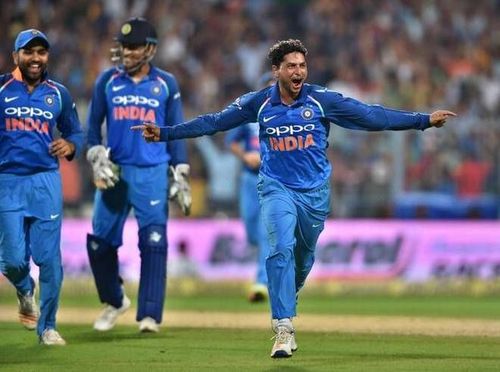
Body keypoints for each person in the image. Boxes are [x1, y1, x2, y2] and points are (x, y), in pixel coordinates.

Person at [132, 39, 456, 357]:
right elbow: (214, 122)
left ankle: (289, 295)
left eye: (302, 65)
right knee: (279, 249)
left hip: (314, 193)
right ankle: (283, 327)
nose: (298, 72)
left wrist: (422, 121)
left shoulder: (321, 101)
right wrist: (166, 133)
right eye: (291, 66)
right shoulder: (257, 103)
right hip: (276, 187)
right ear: (277, 71)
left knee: (302, 260)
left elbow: (371, 116)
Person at [86, 17, 191, 334]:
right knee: (99, 245)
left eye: (133, 46)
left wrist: (180, 172)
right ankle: (114, 301)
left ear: (150, 49)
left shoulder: (166, 84)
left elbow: (175, 131)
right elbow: (92, 130)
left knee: (154, 242)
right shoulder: (107, 80)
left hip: (152, 173)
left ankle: (149, 315)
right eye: (124, 46)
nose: (126, 52)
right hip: (116, 172)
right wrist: (95, 155)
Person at [0, 29, 84, 345]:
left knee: (49, 260)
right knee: (11, 261)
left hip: (45, 182)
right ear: (16, 56)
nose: (36, 58)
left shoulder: (58, 93)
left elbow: (76, 131)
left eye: (42, 52)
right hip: (7, 182)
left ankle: (47, 326)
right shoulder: (2, 88)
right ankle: (24, 288)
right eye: (29, 52)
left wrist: (70, 145)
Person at [224, 72, 274, 302]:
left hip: (272, 179)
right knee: (252, 231)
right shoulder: (249, 114)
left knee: (265, 233)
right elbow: (231, 142)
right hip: (248, 179)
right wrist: (245, 156)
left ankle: (261, 282)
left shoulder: (287, 116)